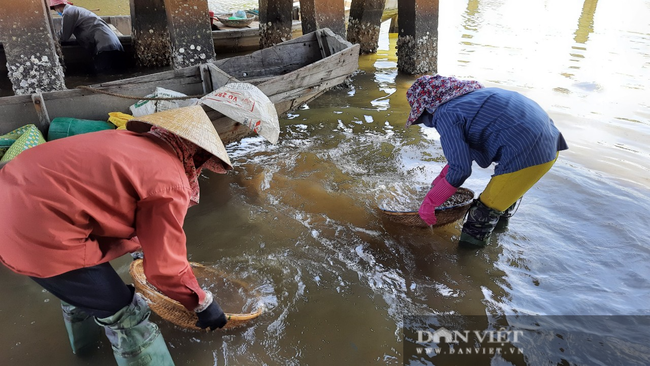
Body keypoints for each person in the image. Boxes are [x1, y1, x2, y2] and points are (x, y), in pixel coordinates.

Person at [0, 106, 233, 365]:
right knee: (126, 312)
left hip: (11, 200)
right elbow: (165, 270)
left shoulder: (121, 139)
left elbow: (100, 201)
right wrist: (202, 303)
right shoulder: (170, 181)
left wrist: (141, 246)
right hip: (35, 234)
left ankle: (84, 352)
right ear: (197, 157)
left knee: (78, 291)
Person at [406, 75, 568, 248]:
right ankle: (497, 248)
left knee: (481, 216)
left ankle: (467, 265)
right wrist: (441, 179)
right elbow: (463, 153)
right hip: (550, 144)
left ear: (428, 108)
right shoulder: (471, 98)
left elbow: (460, 169)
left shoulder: (445, 113)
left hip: (528, 153)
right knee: (500, 205)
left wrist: (431, 201)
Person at [49, 0, 126, 74]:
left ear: (57, 6)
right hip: (112, 43)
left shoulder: (68, 13)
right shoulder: (76, 10)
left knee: (104, 76)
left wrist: (49, 38)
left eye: (54, 9)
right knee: (116, 74)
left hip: (104, 46)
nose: (56, 11)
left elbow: (64, 36)